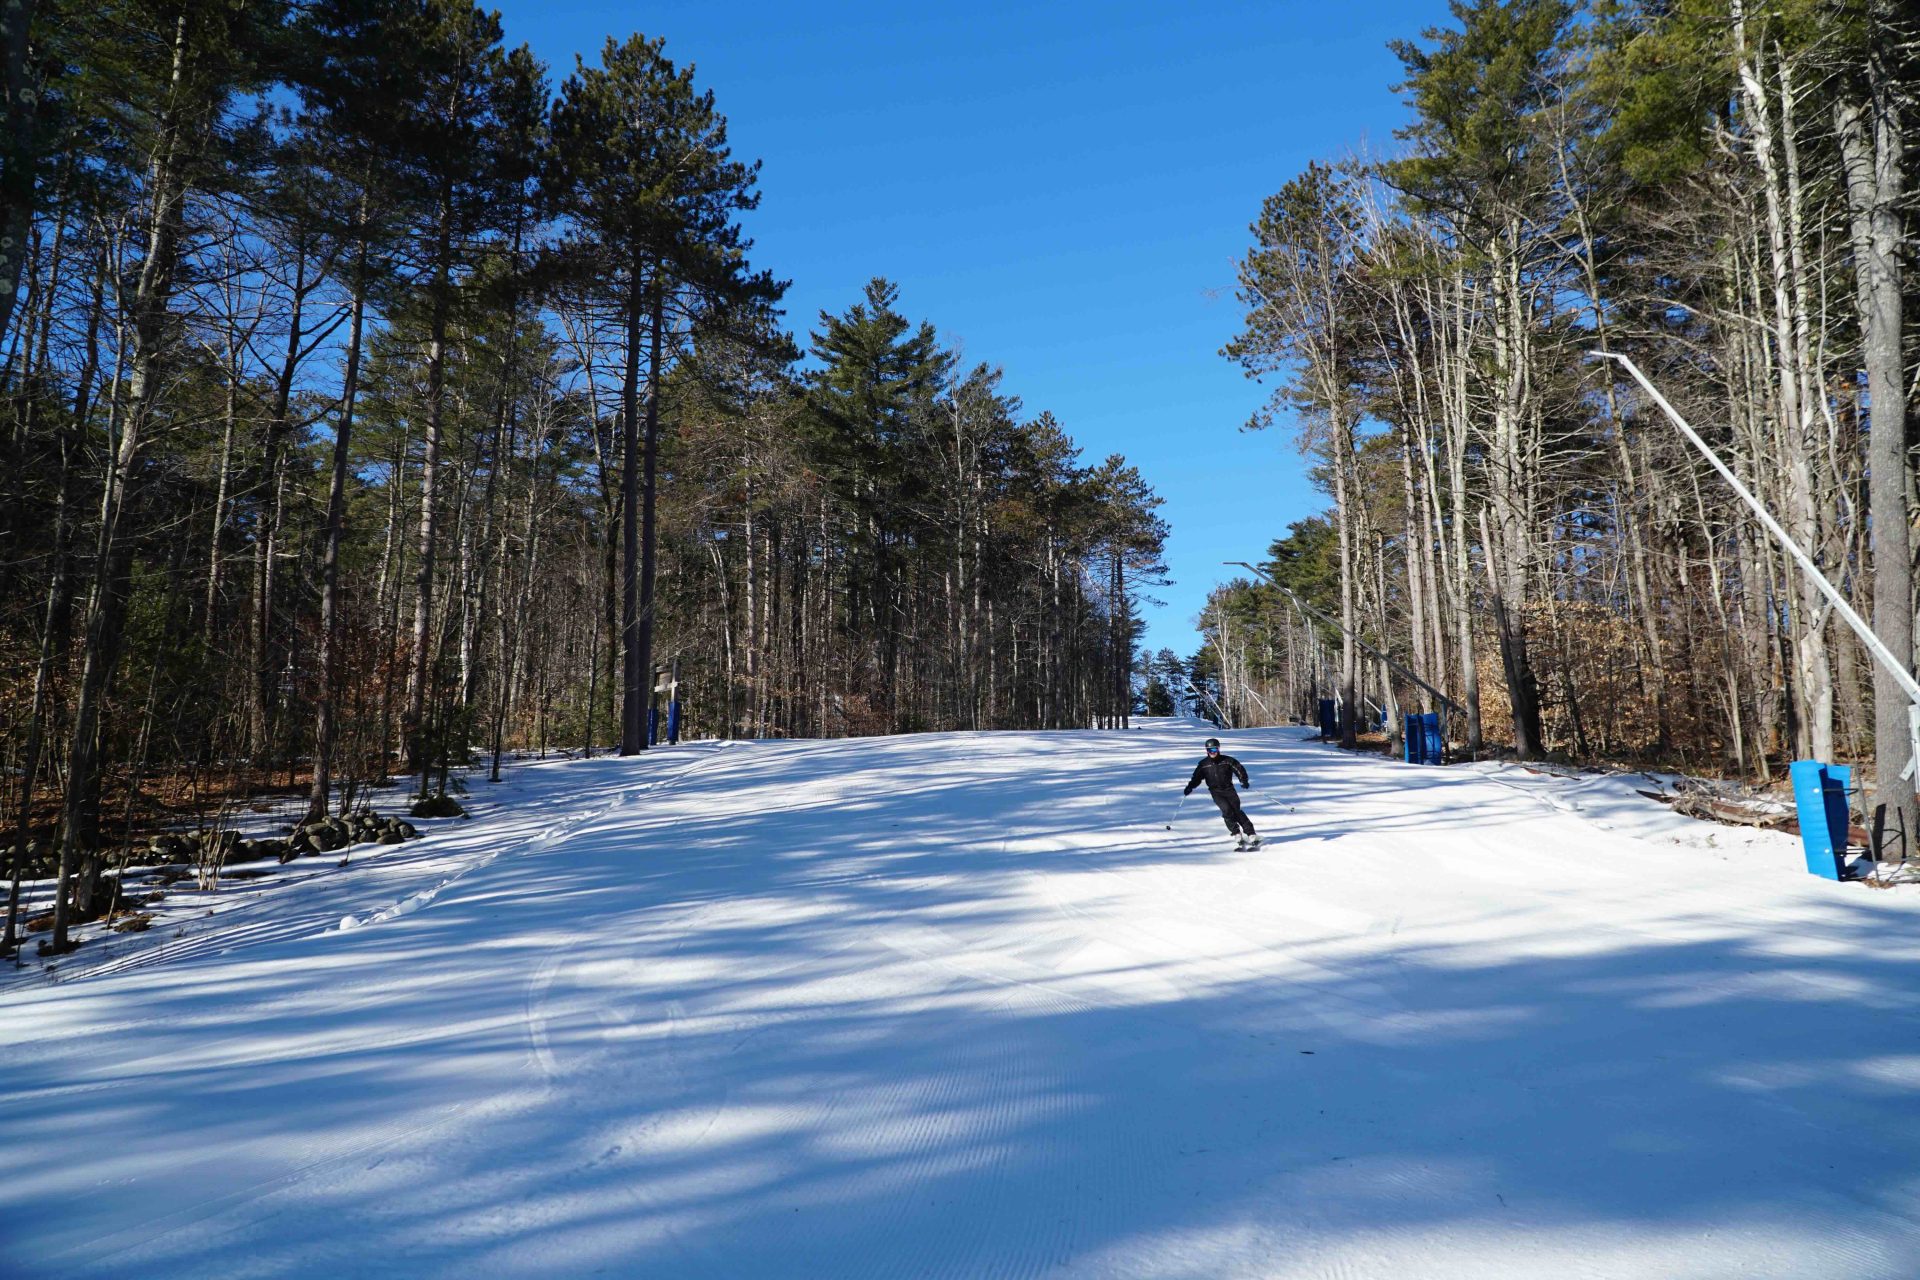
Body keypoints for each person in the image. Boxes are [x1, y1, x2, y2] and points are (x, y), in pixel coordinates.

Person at [1184, 737, 1260, 849]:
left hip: (1229, 790)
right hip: (1216, 792)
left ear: (1218, 749)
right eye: (1210, 750)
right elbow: (1196, 778)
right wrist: (1190, 787)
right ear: (1206, 751)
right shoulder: (1204, 764)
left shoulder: (1227, 760)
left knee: (1236, 811)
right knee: (1226, 810)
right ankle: (1236, 833)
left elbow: (1239, 769)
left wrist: (1243, 780)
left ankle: (1251, 834)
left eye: (1214, 750)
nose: (1212, 753)